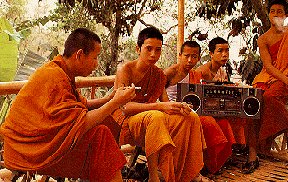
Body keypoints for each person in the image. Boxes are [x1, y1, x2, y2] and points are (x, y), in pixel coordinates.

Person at [0, 28, 136, 182]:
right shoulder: (55, 77)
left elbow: (78, 107)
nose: (96, 64)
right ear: (79, 55)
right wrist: (115, 102)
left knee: (105, 126)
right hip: (26, 150)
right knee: (101, 135)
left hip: (35, 145)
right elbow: (79, 124)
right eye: (95, 58)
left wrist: (108, 99)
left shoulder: (60, 71)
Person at [112, 26, 206, 182]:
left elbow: (166, 103)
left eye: (158, 50)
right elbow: (125, 108)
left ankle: (183, 174)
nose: (153, 54)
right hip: (127, 122)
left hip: (150, 119)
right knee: (156, 116)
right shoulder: (125, 70)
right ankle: (154, 177)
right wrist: (160, 107)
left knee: (191, 117)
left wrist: (179, 107)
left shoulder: (157, 74)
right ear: (138, 48)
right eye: (148, 49)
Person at [244, 0, 288, 174]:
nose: (276, 14)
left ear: (286, 14)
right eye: (272, 11)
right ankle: (252, 155)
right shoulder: (263, 39)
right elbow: (268, 67)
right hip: (266, 77)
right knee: (251, 106)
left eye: (280, 11)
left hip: (284, 80)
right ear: (269, 14)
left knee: (269, 98)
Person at [164, 40, 238, 175]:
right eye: (186, 56)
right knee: (208, 122)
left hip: (193, 111)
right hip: (173, 112)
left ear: (198, 58)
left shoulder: (195, 74)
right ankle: (197, 166)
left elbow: (201, 97)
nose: (190, 60)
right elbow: (157, 91)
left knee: (223, 123)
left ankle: (211, 165)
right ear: (180, 55)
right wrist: (168, 106)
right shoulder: (170, 72)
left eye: (194, 57)